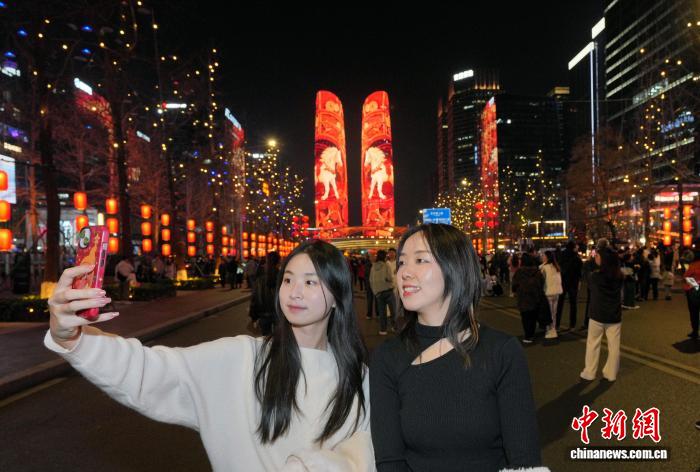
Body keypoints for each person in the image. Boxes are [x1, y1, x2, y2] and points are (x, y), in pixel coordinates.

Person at [45, 240, 373, 471]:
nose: (295, 292)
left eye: (310, 282)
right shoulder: (241, 359)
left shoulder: (359, 378)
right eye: (288, 279)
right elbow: (150, 370)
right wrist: (73, 338)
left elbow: (367, 455)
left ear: (337, 295)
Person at [370, 224, 542, 471]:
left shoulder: (501, 351)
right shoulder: (388, 356)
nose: (404, 272)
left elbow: (524, 460)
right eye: (401, 262)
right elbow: (390, 460)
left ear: (456, 267)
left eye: (420, 260)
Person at [580, 248, 624, 382]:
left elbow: (586, 276)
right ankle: (611, 373)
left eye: (597, 256)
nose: (595, 258)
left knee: (593, 344)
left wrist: (589, 263)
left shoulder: (595, 277)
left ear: (604, 260)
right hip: (614, 315)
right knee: (614, 346)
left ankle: (590, 372)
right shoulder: (619, 276)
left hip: (597, 314)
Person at [512, 253, 545, 344]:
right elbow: (542, 283)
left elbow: (514, 284)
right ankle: (531, 333)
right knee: (533, 317)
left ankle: (528, 335)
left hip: (523, 298)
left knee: (525, 317)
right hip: (535, 297)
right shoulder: (537, 272)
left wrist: (515, 291)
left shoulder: (519, 272)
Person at [249, 251, 281, 335]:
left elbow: (254, 299)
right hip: (279, 314)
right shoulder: (282, 278)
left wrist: (254, 317)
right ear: (278, 262)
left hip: (264, 315)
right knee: (279, 338)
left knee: (266, 339)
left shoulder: (260, 279)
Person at [556, 241, 582, 330]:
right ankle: (572, 324)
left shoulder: (561, 255)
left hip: (563, 281)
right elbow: (579, 271)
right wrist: (579, 281)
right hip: (573, 282)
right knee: (573, 304)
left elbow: (558, 267)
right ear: (573, 247)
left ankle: (557, 323)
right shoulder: (576, 257)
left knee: (560, 304)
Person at [370, 249, 397, 335]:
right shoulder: (386, 265)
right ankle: (394, 327)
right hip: (388, 291)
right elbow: (389, 278)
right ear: (384, 256)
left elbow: (371, 280)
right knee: (393, 310)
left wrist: (375, 292)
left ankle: (383, 329)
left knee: (382, 312)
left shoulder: (373, 267)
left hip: (378, 293)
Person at [540, 250, 563, 339]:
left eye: (543, 256)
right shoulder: (556, 267)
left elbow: (541, 280)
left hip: (548, 292)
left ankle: (549, 330)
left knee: (548, 313)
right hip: (556, 292)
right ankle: (553, 329)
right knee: (554, 312)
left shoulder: (543, 267)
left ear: (547, 257)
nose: (542, 257)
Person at [682, 250, 700, 339]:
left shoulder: (693, 265)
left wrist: (696, 287)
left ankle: (695, 331)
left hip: (694, 292)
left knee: (694, 312)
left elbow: (686, 277)